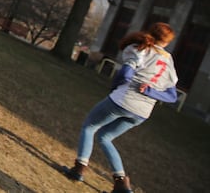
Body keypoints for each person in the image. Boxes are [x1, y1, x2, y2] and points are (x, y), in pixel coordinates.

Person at [62, 22, 178, 193]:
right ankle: (121, 184)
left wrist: (115, 87)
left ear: (149, 32)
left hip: (123, 100)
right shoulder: (168, 60)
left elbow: (125, 74)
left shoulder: (140, 48)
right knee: (105, 137)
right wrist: (151, 92)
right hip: (142, 112)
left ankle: (79, 169)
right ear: (167, 42)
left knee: (89, 126)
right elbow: (172, 96)